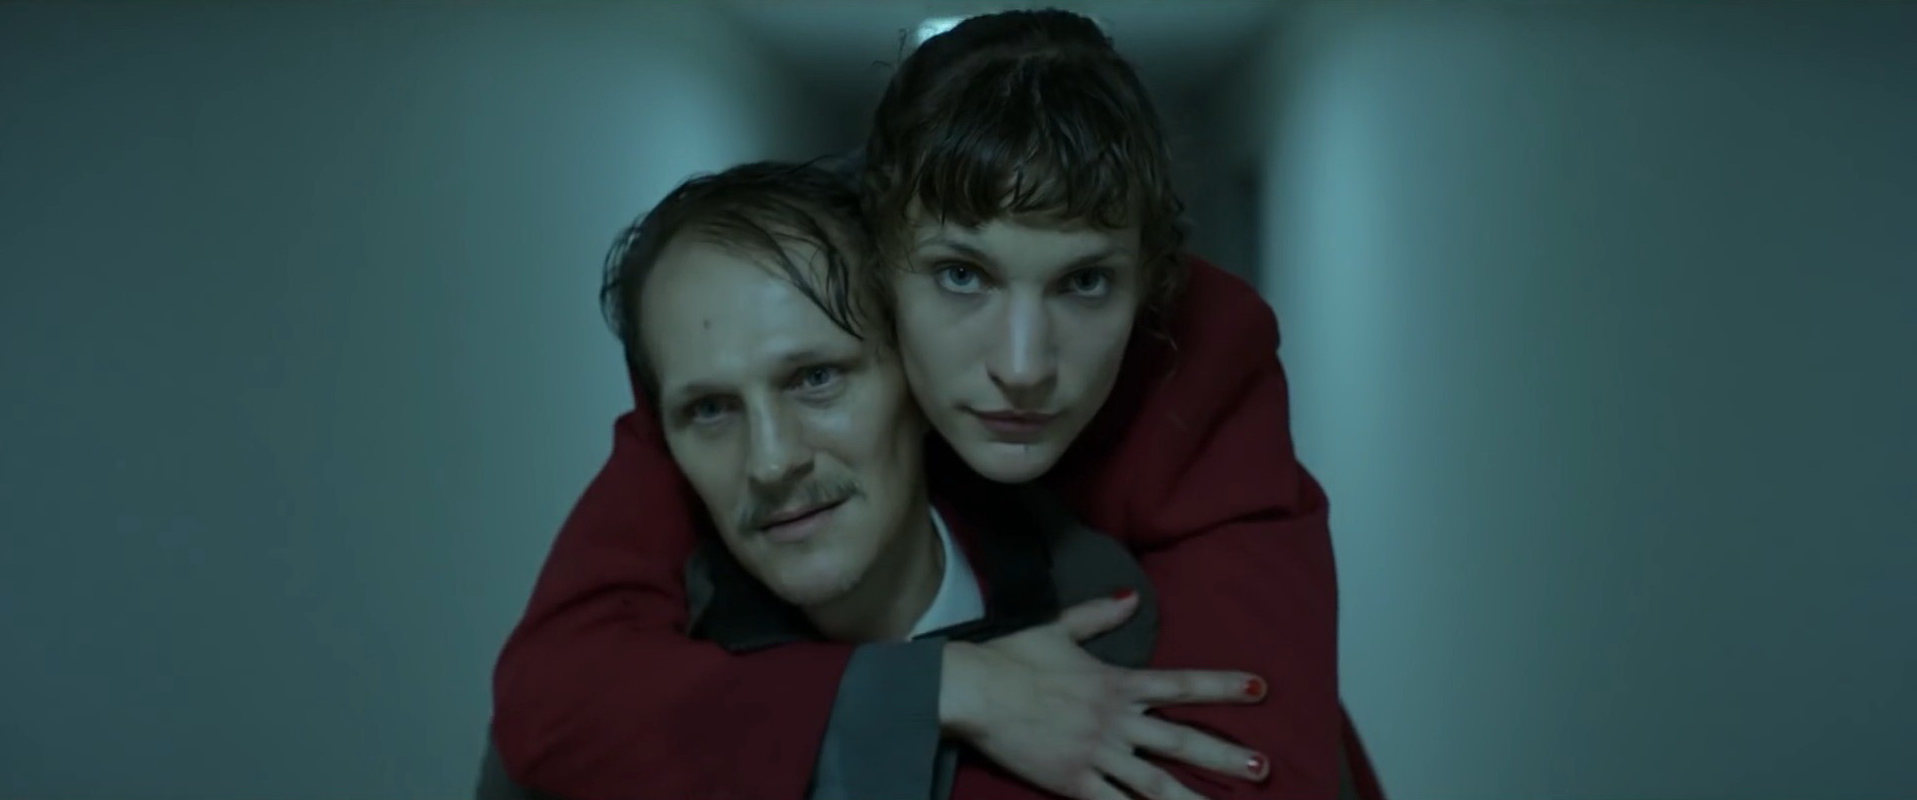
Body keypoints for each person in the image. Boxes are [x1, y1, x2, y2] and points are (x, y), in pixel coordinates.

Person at [491, 9, 1385, 800]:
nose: (1023, 367)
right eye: (961, 276)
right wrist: (943, 688)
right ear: (880, 274)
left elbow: (1254, 764)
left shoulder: (1199, 357)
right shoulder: (763, 328)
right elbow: (559, 697)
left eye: (1084, 283)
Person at [477, 160, 1266, 800]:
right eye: (711, 410)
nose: (771, 461)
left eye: (816, 379)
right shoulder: (600, 732)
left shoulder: (1121, 632)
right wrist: (936, 689)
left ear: (918, 380)